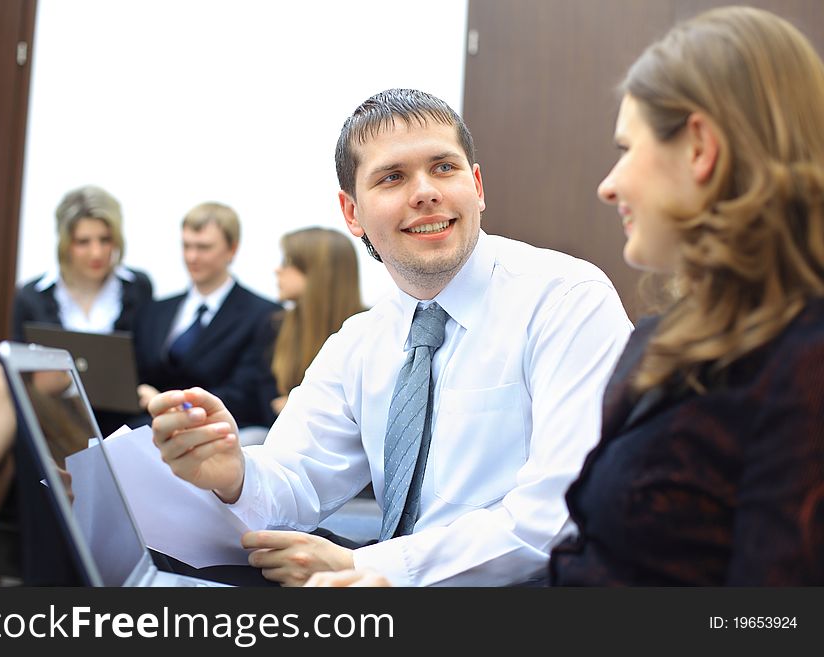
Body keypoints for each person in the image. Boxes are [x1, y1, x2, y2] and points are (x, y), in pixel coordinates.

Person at [307, 5, 824, 587]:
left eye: (627, 148)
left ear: (700, 148)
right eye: (392, 177)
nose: (610, 184)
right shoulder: (669, 340)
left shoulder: (800, 366)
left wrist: (382, 573)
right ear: (351, 211)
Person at [147, 89, 632, 587]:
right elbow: (294, 478)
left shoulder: (566, 299)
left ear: (478, 186)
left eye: (444, 167)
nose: (425, 191)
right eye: (392, 177)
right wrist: (234, 475)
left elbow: (560, 512)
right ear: (352, 213)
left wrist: (371, 566)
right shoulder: (360, 341)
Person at [0, 185, 153, 586]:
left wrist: (141, 388)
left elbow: (140, 363)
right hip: (50, 414)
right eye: (83, 241)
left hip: (110, 418)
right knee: (5, 374)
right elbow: (22, 374)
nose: (96, 251)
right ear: (65, 243)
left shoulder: (136, 288)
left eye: (105, 239)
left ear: (118, 240)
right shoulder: (32, 295)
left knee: (7, 439)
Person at [133, 202, 280, 430]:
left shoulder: (263, 314)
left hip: (218, 432)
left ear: (232, 249)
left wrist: (172, 405)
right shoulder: (156, 311)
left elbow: (245, 393)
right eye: (186, 246)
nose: (192, 256)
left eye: (203, 247)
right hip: (147, 429)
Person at [268, 227, 364, 417]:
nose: (277, 270)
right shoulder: (277, 324)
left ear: (318, 270)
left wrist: (298, 405)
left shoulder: (367, 328)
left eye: (287, 262)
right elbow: (268, 400)